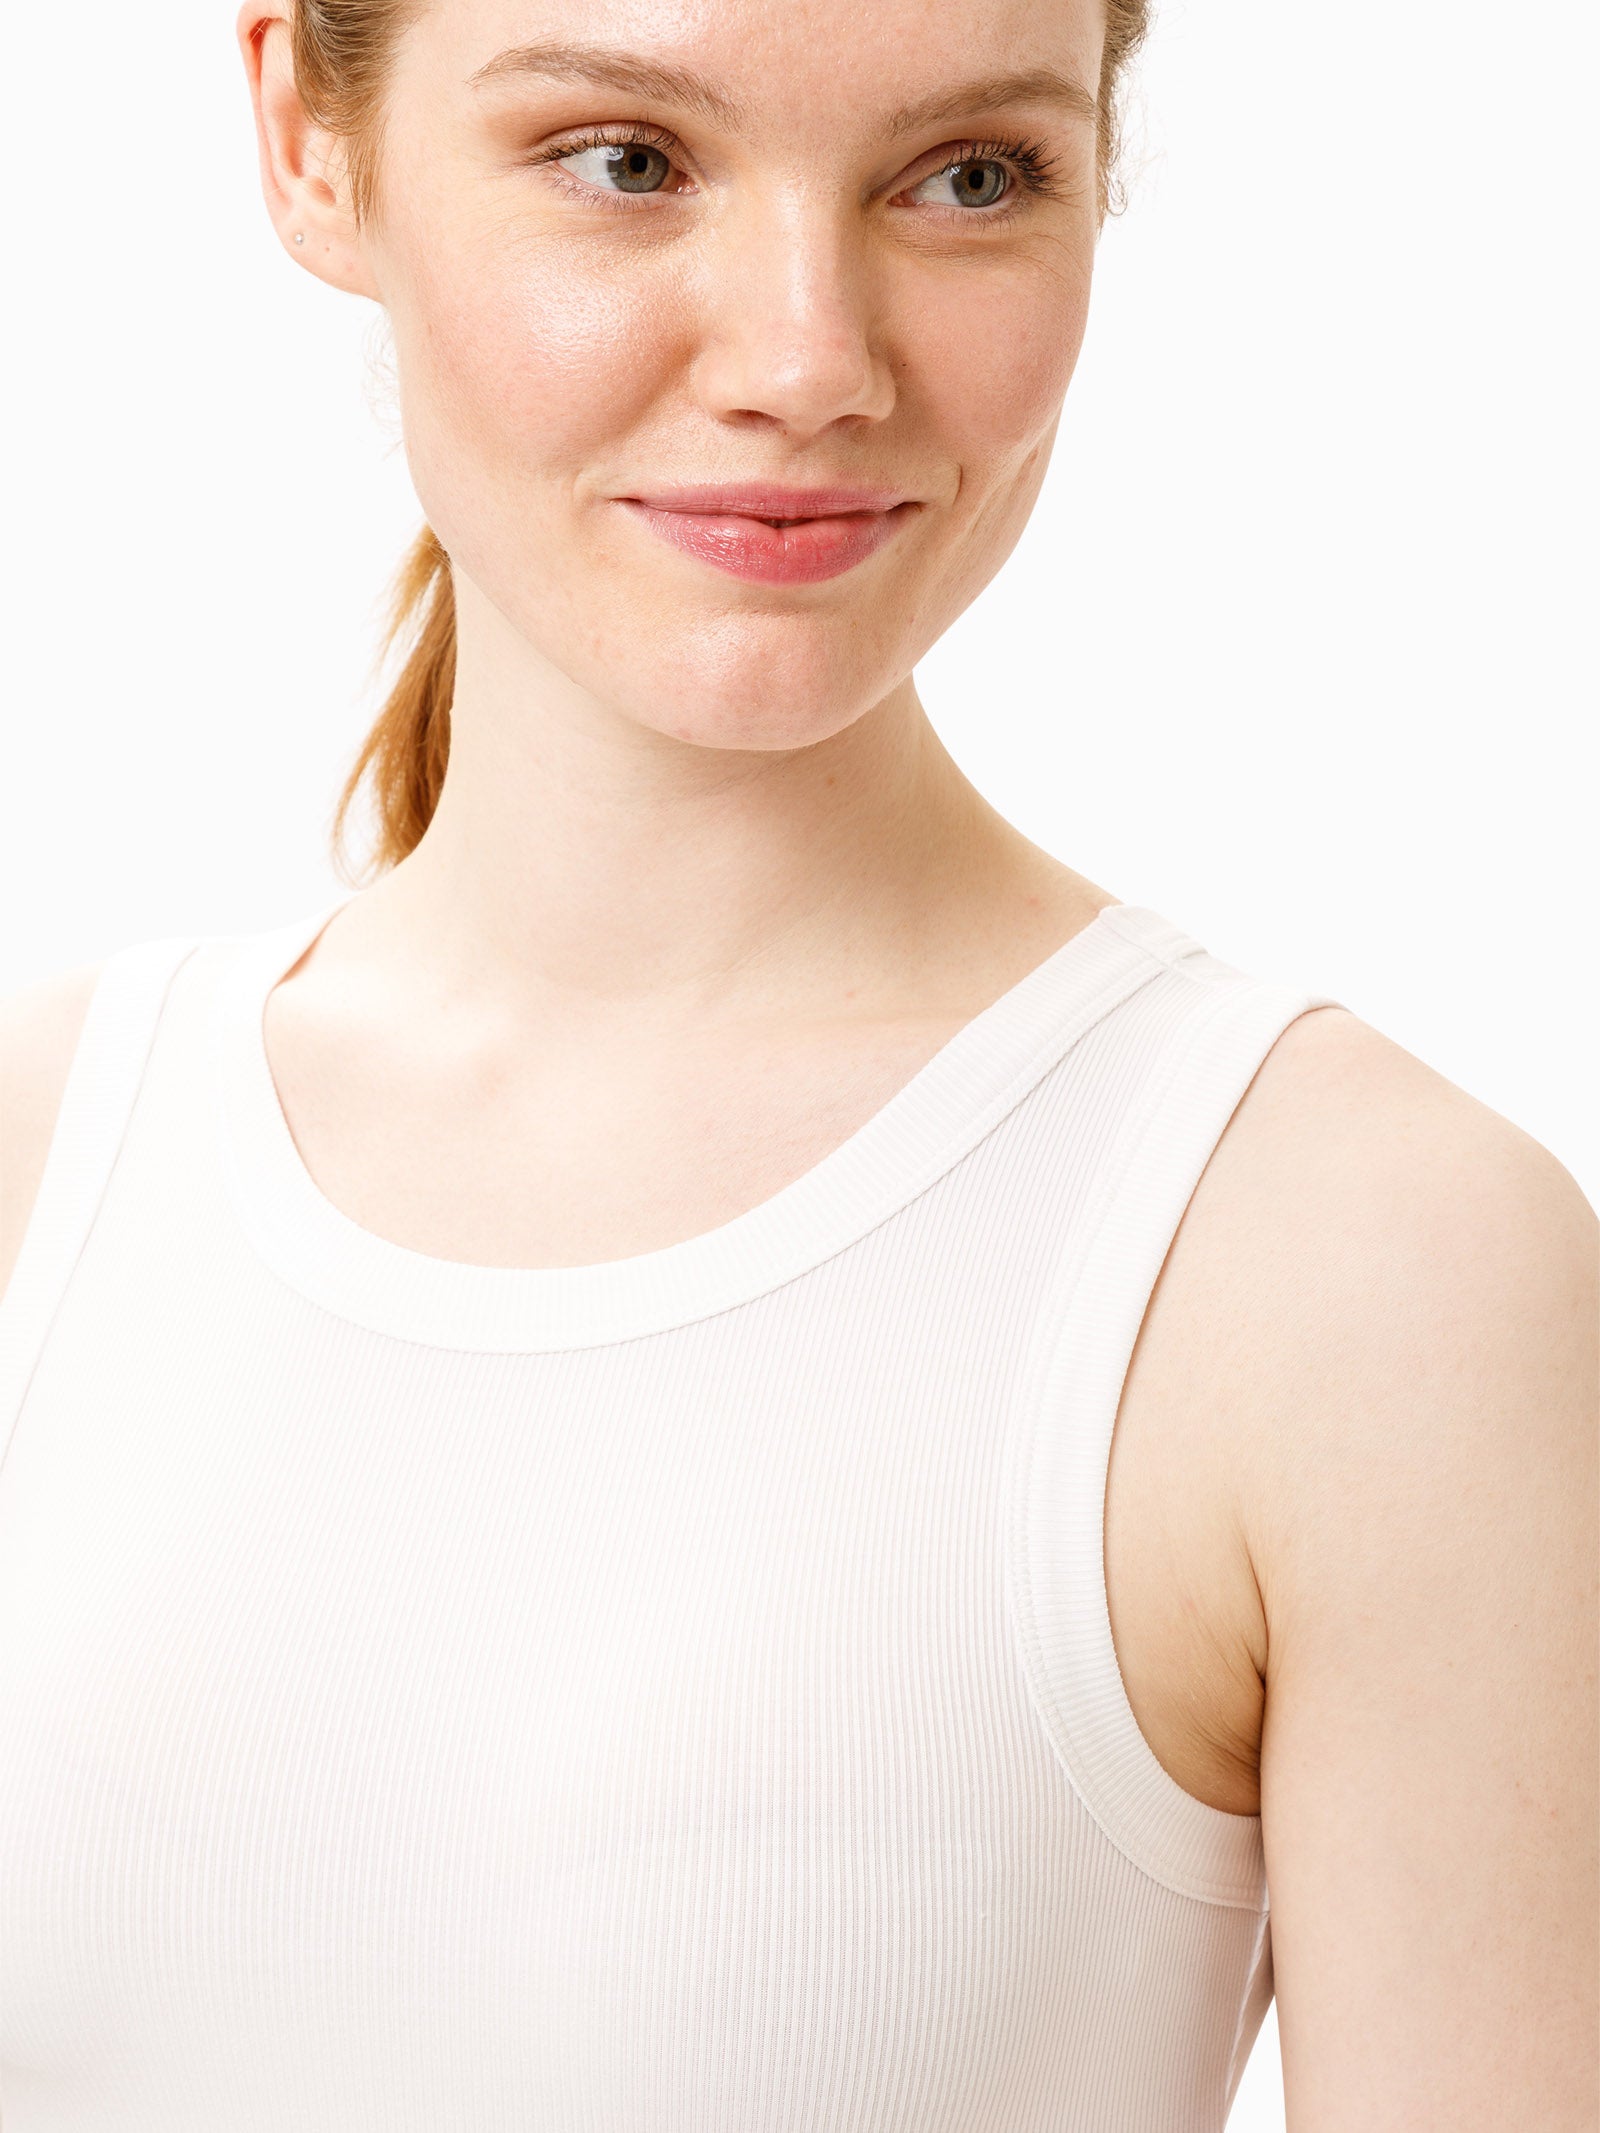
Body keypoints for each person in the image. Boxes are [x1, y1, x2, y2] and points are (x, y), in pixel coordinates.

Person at [0, 0, 1593, 2124]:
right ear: (308, 132)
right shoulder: (42, 1165)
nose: (808, 359)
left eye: (968, 177)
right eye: (626, 162)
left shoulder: (1357, 1266)